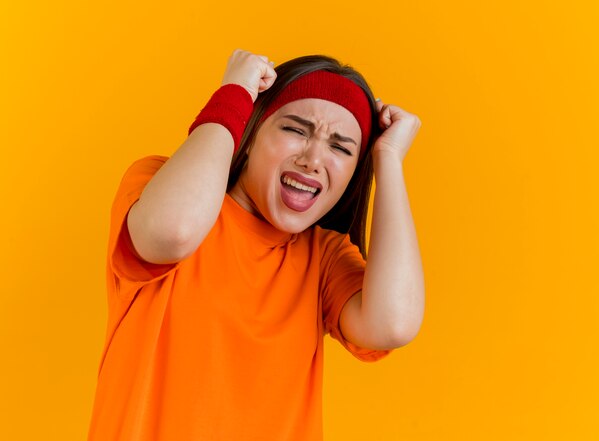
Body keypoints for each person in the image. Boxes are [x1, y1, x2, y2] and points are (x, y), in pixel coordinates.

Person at [88, 49, 425, 441]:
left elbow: (393, 323)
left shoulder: (324, 259)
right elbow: (172, 231)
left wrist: (388, 158)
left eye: (341, 148)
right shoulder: (157, 184)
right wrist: (235, 92)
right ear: (249, 135)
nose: (313, 159)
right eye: (295, 130)